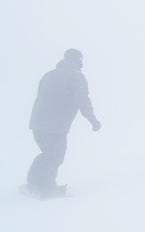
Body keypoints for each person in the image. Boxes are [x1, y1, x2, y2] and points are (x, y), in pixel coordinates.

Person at [25, 49, 101, 198]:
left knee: (48, 154)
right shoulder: (76, 77)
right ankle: (46, 188)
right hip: (55, 125)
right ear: (79, 61)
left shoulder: (48, 75)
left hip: (37, 123)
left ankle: (34, 184)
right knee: (55, 155)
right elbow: (82, 99)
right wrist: (92, 119)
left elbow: (41, 95)